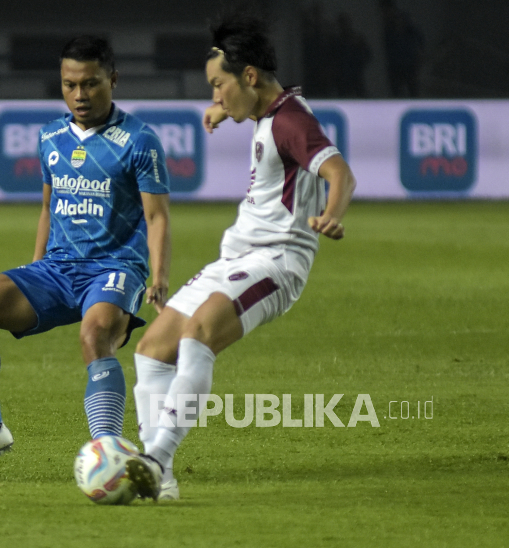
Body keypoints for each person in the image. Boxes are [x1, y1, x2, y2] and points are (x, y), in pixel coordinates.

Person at [125, 12, 356, 500]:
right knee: (151, 351)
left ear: (248, 75)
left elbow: (340, 172)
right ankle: (158, 475)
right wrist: (222, 112)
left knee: (197, 335)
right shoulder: (269, 111)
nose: (214, 96)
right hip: (235, 257)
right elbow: (254, 114)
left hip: (275, 262)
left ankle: (156, 457)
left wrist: (332, 214)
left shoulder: (292, 120)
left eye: (217, 86)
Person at [0, 35, 171, 478]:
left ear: (113, 79)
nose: (80, 95)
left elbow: (157, 216)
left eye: (90, 83)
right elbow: (48, 206)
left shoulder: (140, 140)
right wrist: (34, 263)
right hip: (56, 268)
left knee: (95, 335)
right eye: (70, 85)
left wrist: (158, 277)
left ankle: (108, 452)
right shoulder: (50, 135)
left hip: (115, 267)